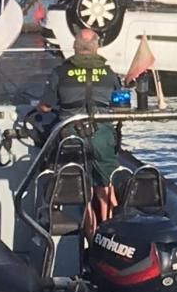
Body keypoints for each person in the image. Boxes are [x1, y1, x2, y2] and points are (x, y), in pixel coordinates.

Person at [38, 28, 122, 237]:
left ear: (75, 47)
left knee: (82, 188)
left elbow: (46, 107)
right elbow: (119, 103)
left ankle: (90, 232)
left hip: (70, 136)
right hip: (102, 134)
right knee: (106, 183)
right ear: (96, 47)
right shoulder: (109, 73)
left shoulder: (60, 72)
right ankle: (109, 228)